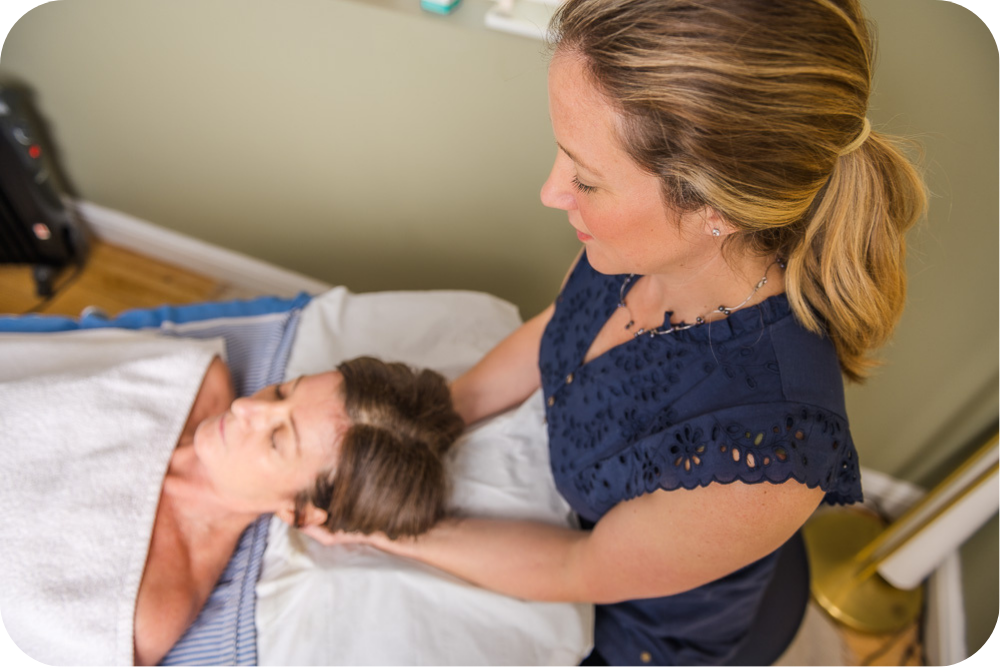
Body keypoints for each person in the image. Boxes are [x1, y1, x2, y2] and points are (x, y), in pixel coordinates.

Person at [305, 1, 927, 665]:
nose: (551, 191)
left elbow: (579, 570)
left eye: (587, 178)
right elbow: (558, 331)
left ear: (712, 208)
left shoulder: (767, 452)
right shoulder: (628, 250)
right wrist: (412, 429)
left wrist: (389, 530)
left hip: (640, 636)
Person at [132, 354, 463, 666]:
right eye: (280, 392)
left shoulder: (146, 611)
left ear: (299, 512)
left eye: (276, 438)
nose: (246, 407)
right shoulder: (197, 378)